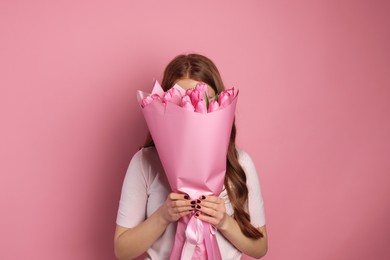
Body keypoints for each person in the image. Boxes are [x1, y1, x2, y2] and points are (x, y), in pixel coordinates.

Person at [114, 53, 268, 259]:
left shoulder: (241, 162)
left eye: (205, 102)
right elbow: (122, 250)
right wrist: (163, 215)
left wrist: (224, 221)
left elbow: (260, 248)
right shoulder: (145, 162)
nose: (194, 114)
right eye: (184, 103)